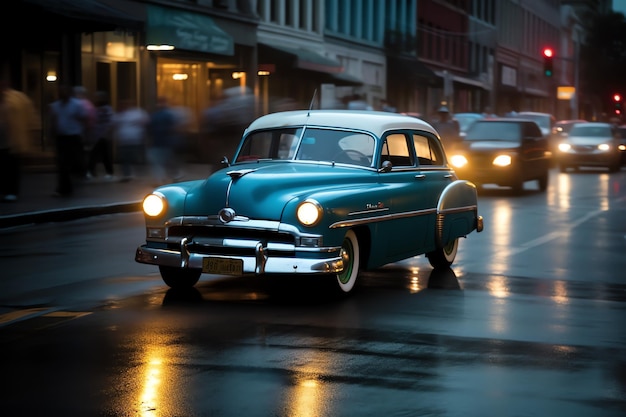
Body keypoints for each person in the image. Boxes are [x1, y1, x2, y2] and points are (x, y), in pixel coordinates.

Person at [0, 80, 37, 202]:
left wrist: (30, 136)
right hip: (4, 139)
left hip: (14, 140)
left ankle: (11, 191)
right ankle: (6, 190)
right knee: (5, 167)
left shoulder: (18, 98)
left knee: (12, 167)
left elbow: (30, 117)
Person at [49, 84, 89, 196]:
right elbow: (53, 122)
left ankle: (76, 178)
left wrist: (85, 134)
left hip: (74, 137)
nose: (63, 94)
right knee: (62, 163)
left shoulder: (76, 105)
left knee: (75, 161)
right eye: (61, 91)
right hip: (61, 137)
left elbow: (84, 118)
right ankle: (63, 187)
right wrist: (51, 136)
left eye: (65, 91)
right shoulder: (55, 106)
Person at [147, 96, 185, 184]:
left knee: (158, 162)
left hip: (158, 142)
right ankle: (174, 175)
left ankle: (161, 179)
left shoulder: (155, 115)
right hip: (166, 142)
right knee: (167, 161)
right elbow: (174, 127)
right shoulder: (168, 115)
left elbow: (150, 128)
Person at [111, 98, 148, 181]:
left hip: (135, 139)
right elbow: (113, 125)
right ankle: (127, 174)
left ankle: (132, 173)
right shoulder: (118, 115)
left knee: (133, 157)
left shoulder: (138, 113)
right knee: (124, 158)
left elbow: (146, 122)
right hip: (124, 140)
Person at [86, 91, 115, 179]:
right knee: (99, 154)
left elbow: (110, 121)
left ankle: (104, 172)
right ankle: (100, 171)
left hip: (103, 135)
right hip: (97, 134)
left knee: (99, 154)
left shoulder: (107, 109)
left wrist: (108, 132)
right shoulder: (96, 109)